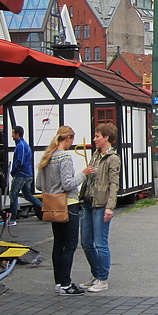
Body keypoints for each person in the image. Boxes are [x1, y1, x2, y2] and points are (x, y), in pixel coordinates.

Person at [36, 126, 92, 296]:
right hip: (68, 204)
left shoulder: (48, 156)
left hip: (53, 205)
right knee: (70, 245)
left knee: (58, 244)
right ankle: (67, 284)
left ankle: (59, 282)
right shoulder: (65, 158)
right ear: (68, 139)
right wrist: (83, 174)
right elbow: (68, 184)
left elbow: (39, 185)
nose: (71, 144)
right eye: (71, 140)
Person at [79, 123, 121, 293]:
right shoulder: (95, 155)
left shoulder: (112, 158)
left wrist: (110, 207)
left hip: (101, 204)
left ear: (107, 138)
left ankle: (103, 279)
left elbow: (114, 184)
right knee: (86, 242)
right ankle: (96, 274)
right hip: (88, 202)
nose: (94, 139)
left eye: (97, 136)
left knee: (100, 243)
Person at [6, 126, 42, 225]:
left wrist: (14, 171)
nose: (11, 135)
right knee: (27, 195)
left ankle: (13, 219)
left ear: (17, 134)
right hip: (28, 174)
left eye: (13, 133)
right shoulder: (24, 144)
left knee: (13, 195)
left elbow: (20, 161)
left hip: (21, 174)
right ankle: (44, 208)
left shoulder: (20, 146)